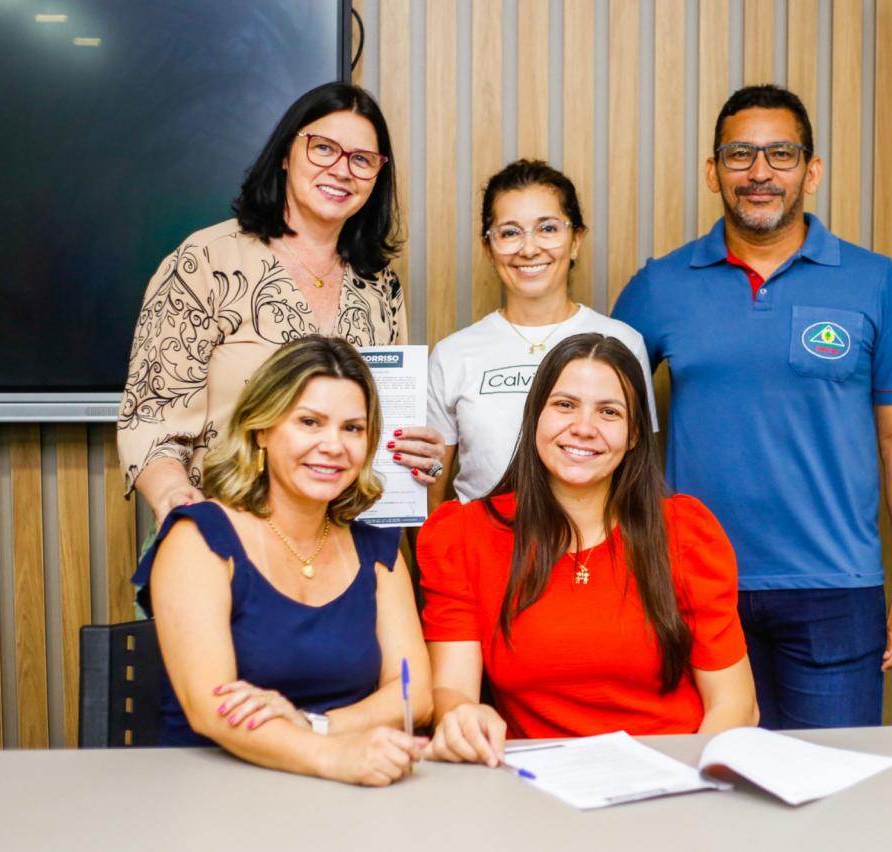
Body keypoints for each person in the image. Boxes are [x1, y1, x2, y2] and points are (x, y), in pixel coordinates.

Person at [612, 85, 892, 730]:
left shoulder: (875, 281)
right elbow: (595, 419)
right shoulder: (659, 286)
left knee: (832, 783)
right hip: (692, 585)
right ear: (714, 172)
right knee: (707, 782)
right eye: (740, 154)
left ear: (811, 172)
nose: (759, 172)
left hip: (835, 592)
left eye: (781, 154)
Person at [417, 333, 756, 765]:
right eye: (564, 405)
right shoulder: (465, 535)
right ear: (535, 416)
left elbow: (735, 704)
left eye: (609, 412)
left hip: (673, 778)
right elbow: (452, 689)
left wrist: (691, 782)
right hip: (534, 784)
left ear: (634, 434)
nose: (583, 427)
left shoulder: (685, 533)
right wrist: (462, 716)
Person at [118, 82, 444, 522]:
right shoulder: (206, 261)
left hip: (339, 538)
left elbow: (373, 426)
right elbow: (150, 418)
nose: (342, 170)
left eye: (362, 159)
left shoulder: (379, 284)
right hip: (221, 529)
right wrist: (173, 494)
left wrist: (416, 456)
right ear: (286, 154)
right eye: (323, 148)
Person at [133, 335, 431, 786]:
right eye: (310, 422)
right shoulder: (198, 537)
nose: (334, 445)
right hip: (212, 790)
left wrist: (314, 725)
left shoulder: (378, 551)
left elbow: (414, 695)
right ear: (262, 429)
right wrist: (334, 757)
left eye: (353, 428)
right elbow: (211, 708)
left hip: (345, 789)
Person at [425, 160, 655, 514]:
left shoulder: (622, 343)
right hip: (483, 546)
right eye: (510, 232)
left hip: (593, 547)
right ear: (489, 248)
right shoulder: (453, 354)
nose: (529, 248)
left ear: (576, 240)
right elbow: (431, 488)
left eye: (547, 228)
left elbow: (638, 475)